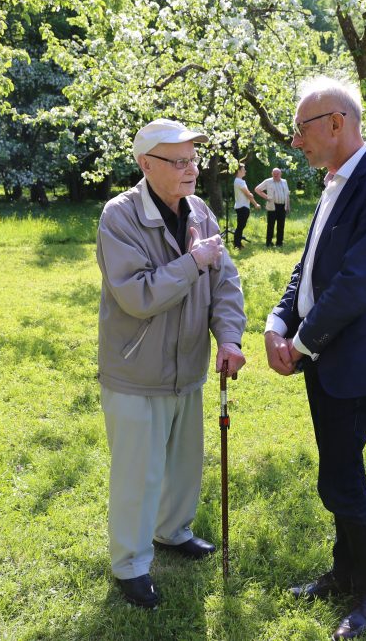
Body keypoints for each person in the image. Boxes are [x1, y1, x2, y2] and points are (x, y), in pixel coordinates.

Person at [264, 76, 366, 640]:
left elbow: (356, 283)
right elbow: (310, 267)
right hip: (323, 355)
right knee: (337, 467)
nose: (295, 141)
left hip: (348, 359)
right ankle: (344, 571)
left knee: (342, 479)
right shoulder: (334, 181)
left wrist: (300, 346)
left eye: (301, 128)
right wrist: (279, 320)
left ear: (335, 123)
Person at [96, 118, 247, 608]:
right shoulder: (119, 217)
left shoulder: (200, 212)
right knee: (139, 472)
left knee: (183, 464)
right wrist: (192, 263)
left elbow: (225, 282)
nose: (191, 170)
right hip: (137, 371)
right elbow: (137, 295)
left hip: (189, 368)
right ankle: (131, 564)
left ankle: (172, 531)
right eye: (179, 161)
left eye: (194, 160)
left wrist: (228, 337)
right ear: (146, 164)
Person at [255, 167, 291, 247]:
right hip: (272, 206)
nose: (275, 176)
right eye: (274, 174)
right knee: (270, 225)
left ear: (280, 174)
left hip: (282, 207)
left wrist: (288, 206)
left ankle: (279, 243)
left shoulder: (284, 182)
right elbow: (257, 189)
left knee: (281, 225)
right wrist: (267, 197)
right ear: (272, 174)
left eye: (277, 174)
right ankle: (268, 243)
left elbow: (287, 194)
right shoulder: (268, 181)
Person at [232, 163, 260, 249]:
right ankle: (237, 244)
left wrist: (250, 194)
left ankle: (238, 243)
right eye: (243, 169)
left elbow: (248, 194)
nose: (245, 171)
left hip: (241, 206)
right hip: (242, 207)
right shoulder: (239, 181)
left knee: (241, 226)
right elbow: (248, 195)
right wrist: (256, 204)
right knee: (240, 226)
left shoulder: (238, 181)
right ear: (239, 171)